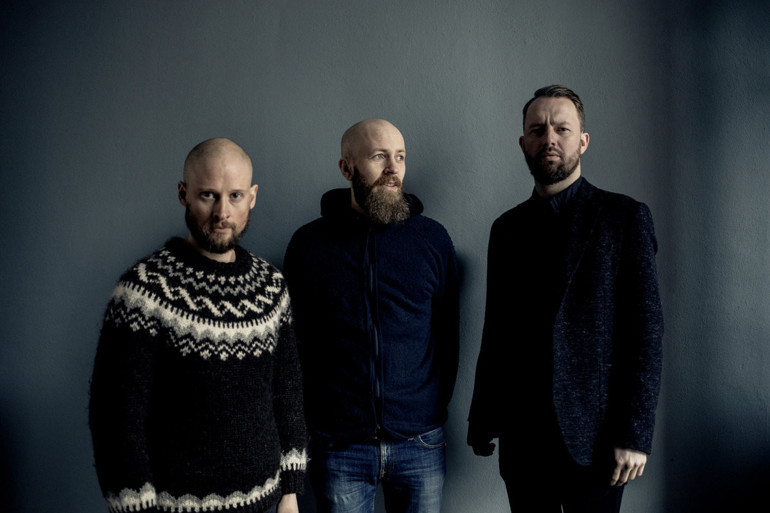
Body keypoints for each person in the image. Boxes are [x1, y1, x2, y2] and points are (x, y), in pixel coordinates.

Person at [467, 85, 663, 513]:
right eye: (537, 130)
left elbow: (645, 332)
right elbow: (496, 328)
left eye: (562, 129)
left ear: (583, 141)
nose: (549, 139)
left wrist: (635, 434)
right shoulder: (506, 228)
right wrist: (482, 417)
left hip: (596, 440)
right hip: (522, 439)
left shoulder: (623, 217)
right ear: (524, 143)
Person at [89, 138, 308, 513]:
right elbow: (116, 417)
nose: (222, 212)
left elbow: (287, 392)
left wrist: (290, 492)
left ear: (252, 197)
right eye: (208, 195)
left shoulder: (272, 286)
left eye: (235, 196)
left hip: (267, 502)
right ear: (183, 194)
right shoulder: (143, 291)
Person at [283, 119, 460, 513]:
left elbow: (448, 336)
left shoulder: (432, 240)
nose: (393, 168)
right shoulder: (309, 245)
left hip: (420, 442)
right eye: (379, 156)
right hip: (339, 445)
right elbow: (295, 346)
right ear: (347, 168)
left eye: (400, 157)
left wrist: (426, 409)